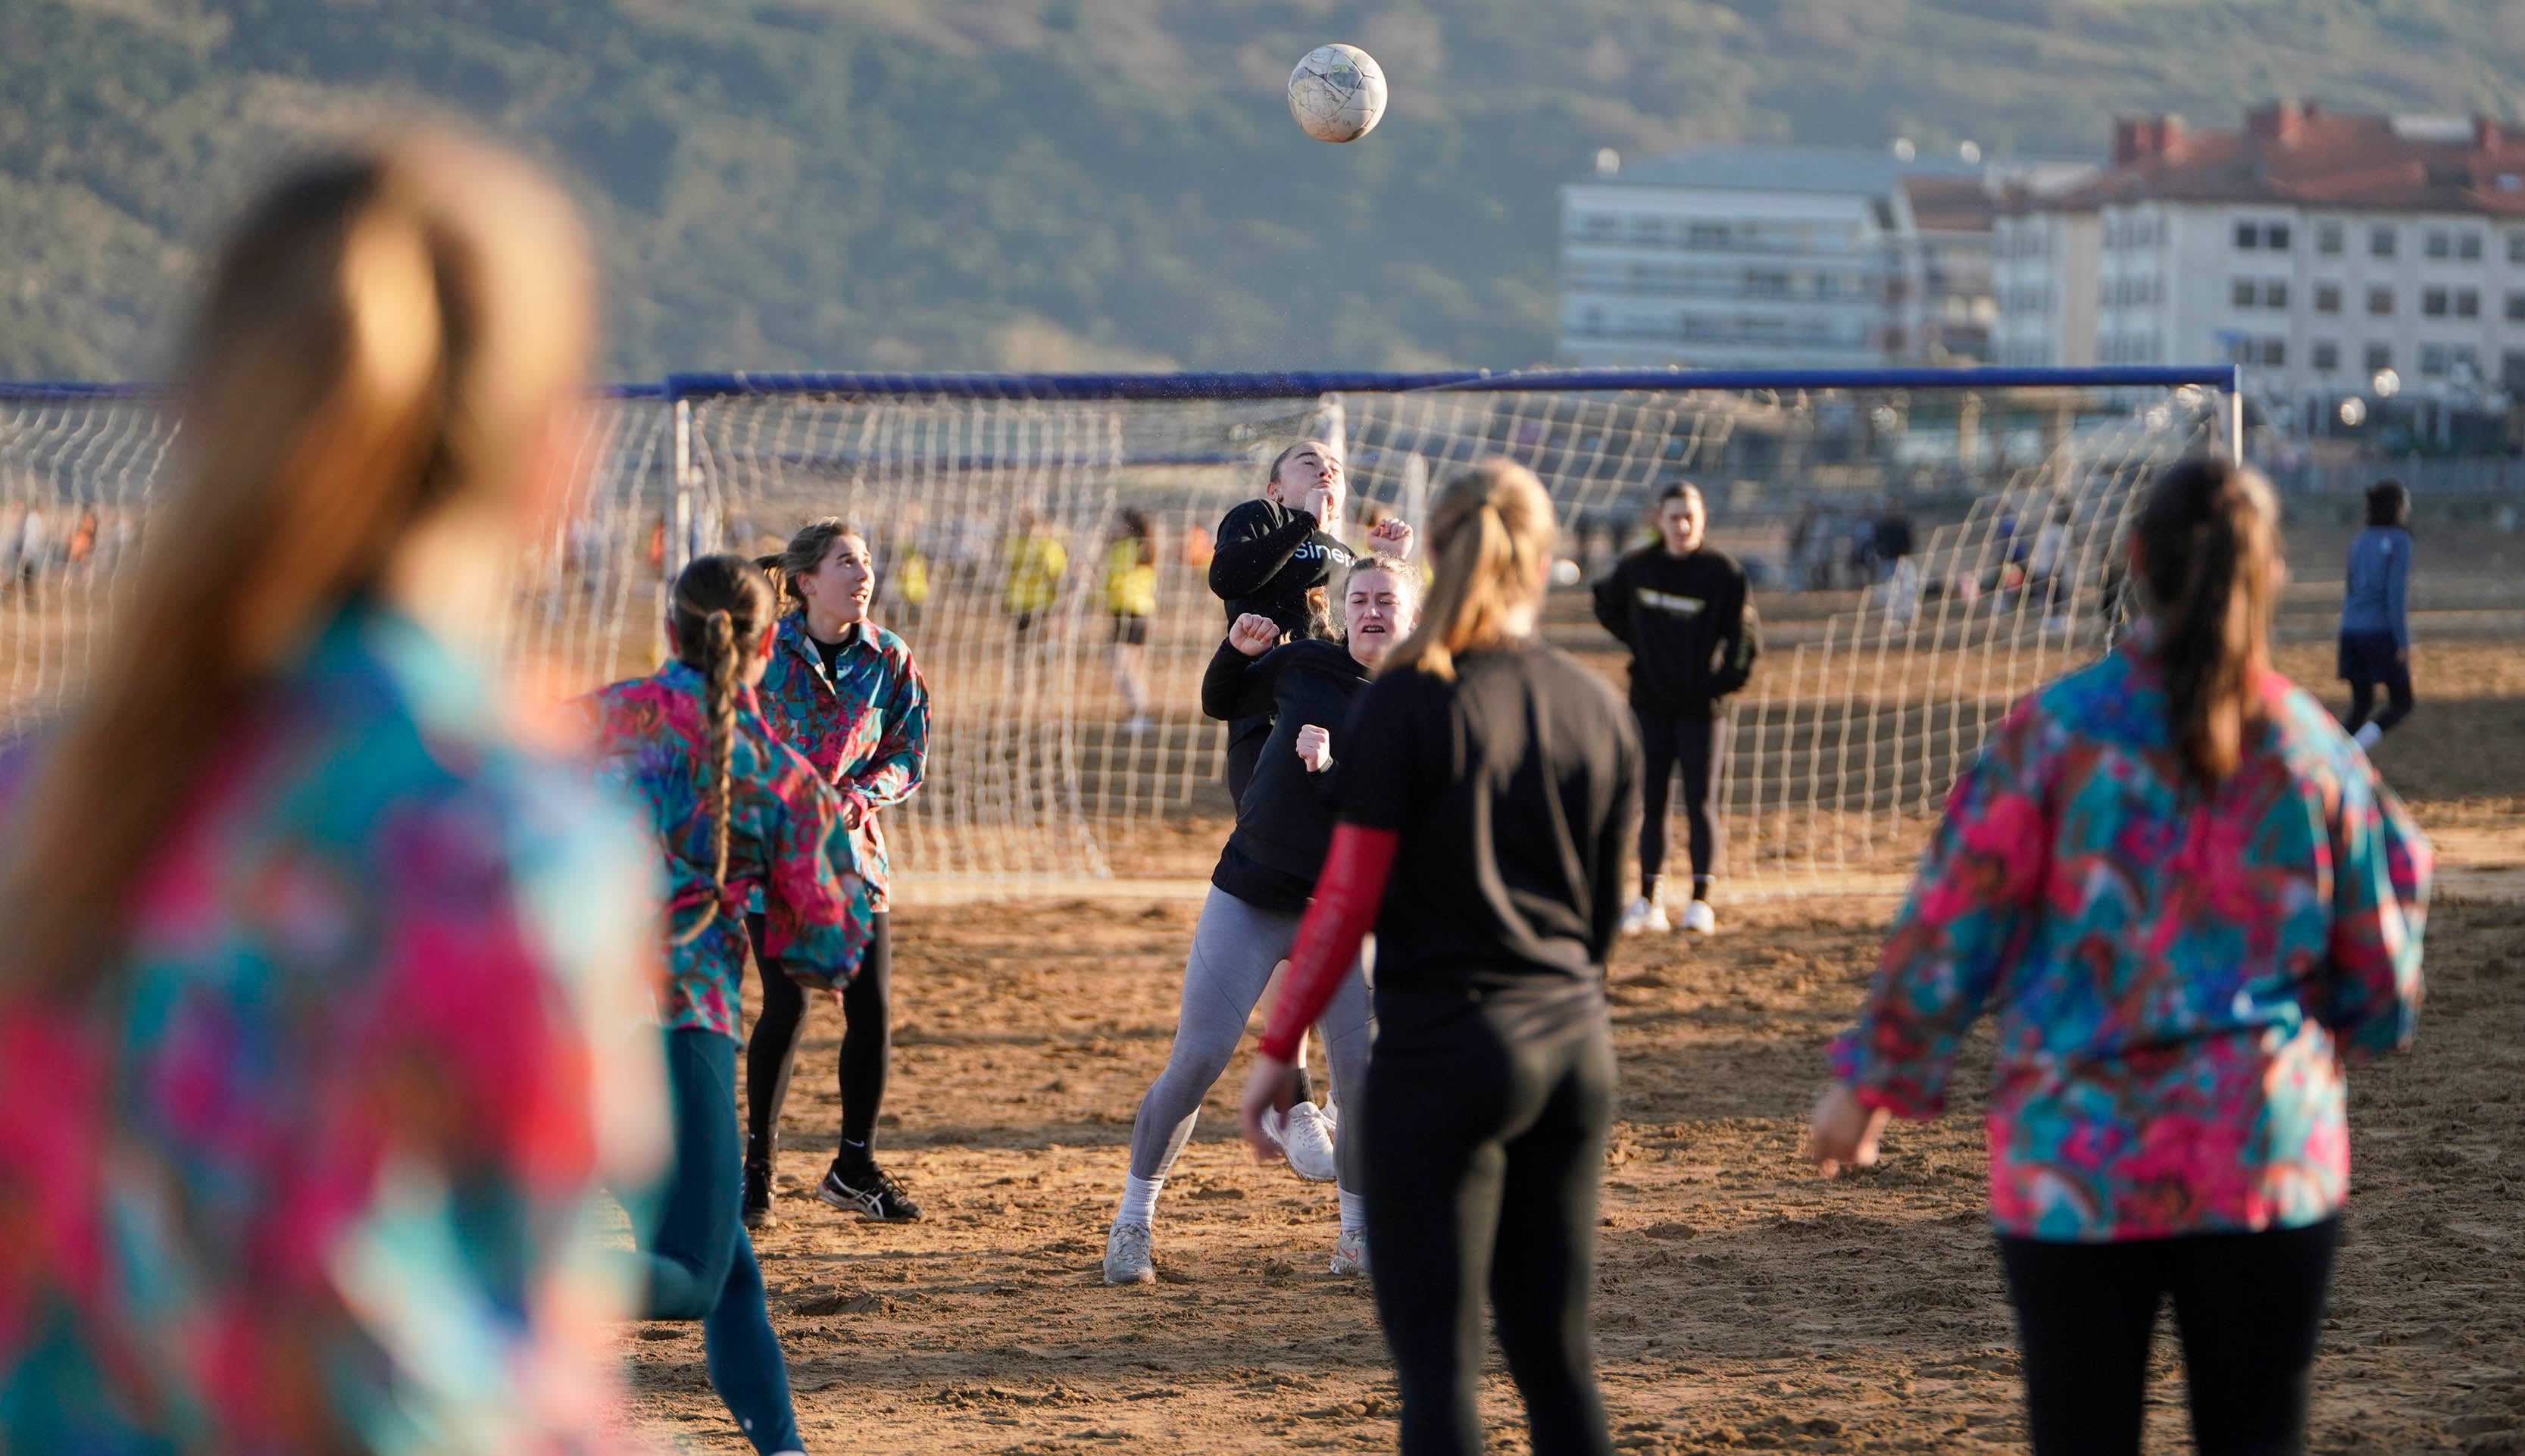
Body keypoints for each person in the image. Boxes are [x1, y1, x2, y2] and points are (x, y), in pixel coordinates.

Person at [0, 136, 670, 1453]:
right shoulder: (505, 844)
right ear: (558, 461)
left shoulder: (40, 796)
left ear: (203, 417)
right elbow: (512, 1352)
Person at [1811, 457, 2431, 1456]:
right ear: (2268, 574)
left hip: (2075, 1157)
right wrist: (2347, 1024)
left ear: (2135, 559)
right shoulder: (2316, 750)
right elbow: (2381, 973)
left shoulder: (2054, 733)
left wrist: (1870, 1084)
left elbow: (1954, 916)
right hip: (2264, 1151)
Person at [1239, 461, 1640, 1456]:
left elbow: (1345, 899)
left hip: (1444, 1057)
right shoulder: (1594, 706)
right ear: (1542, 564)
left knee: (1439, 1366)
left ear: (1437, 557)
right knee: (1555, 1356)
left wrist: (1278, 1045)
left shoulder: (1407, 704)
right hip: (1570, 1055)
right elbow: (1598, 923)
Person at [583, 552, 874, 1456]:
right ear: (763, 646)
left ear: (670, 629)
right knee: (696, 1277)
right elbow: (828, 948)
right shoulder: (779, 775)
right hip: (674, 1036)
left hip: (545, 1022)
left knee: (732, 1275)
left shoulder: (591, 719)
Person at [1102, 555, 1422, 1286]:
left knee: (1361, 1079)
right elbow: (1224, 701)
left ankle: (1356, 1238)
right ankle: (1132, 1224)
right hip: (1248, 895)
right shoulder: (1306, 662)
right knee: (1198, 1058)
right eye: (1360, 598)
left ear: (1413, 619)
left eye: (1387, 600)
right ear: (1345, 611)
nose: (1372, 610)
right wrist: (1235, 652)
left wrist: (1329, 768)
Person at [744, 518, 932, 1226]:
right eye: (845, 563)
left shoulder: (890, 657)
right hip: (773, 858)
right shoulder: (762, 653)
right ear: (804, 582)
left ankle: (853, 1167)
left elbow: (909, 754)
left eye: (866, 563)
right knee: (786, 1005)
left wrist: (859, 795)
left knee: (871, 1010)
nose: (863, 575)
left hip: (854, 859)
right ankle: (756, 1171)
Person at [1591, 482, 1759, 936]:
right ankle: (1648, 900)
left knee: (1701, 801)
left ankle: (1700, 902)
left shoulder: (1723, 574)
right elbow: (1604, 603)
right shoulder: (1637, 568)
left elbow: (1744, 642)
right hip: (1649, 704)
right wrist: (1641, 645)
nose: (1683, 525)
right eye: (1674, 517)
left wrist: (1717, 683)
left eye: (1691, 516)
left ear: (1702, 519)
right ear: (1658, 520)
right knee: (1652, 799)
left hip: (1700, 710)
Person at [1206, 439, 1413, 801]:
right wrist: (1305, 522)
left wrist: (1386, 564)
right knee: (1271, 825)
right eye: (1307, 462)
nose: (1325, 468)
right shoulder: (1264, 515)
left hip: (1336, 708)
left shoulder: (1350, 557)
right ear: (1277, 490)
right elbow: (1226, 578)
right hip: (1268, 708)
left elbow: (1368, 635)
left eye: (1335, 465)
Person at [2339, 479, 2415, 749]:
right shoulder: (2400, 542)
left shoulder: (2359, 541)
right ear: (2397, 507)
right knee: (2402, 702)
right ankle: (2353, 753)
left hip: (2349, 630)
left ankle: (2334, 752)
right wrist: (2403, 641)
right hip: (2380, 631)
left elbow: (2350, 589)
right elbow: (2395, 596)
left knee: (2362, 704)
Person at [1105, 507, 1159, 736]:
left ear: (1127, 526)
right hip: (1134, 611)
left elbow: (1115, 582)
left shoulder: (1127, 548)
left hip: (1130, 611)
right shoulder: (1143, 547)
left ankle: (1139, 713)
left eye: (1116, 522)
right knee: (1129, 666)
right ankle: (1138, 712)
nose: (1112, 526)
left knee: (1121, 665)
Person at [1004, 506, 1067, 637]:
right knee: (1038, 637)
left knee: (1022, 637)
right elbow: (1057, 574)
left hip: (1022, 599)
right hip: (1039, 600)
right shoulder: (1051, 546)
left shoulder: (1012, 544)